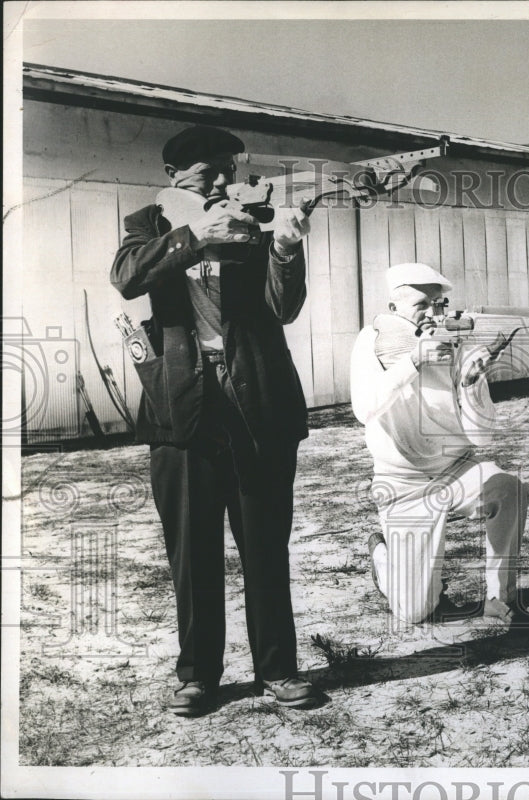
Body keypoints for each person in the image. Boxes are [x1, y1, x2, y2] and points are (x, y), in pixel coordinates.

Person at [110, 125, 316, 716]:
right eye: (208, 174)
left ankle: (278, 670)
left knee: (264, 549)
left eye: (229, 169)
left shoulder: (257, 215)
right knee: (192, 553)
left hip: (259, 404)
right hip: (183, 406)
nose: (225, 182)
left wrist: (284, 250)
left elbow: (285, 307)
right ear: (176, 178)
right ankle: (198, 676)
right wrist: (195, 234)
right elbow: (127, 278)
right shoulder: (150, 222)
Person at [350, 262, 529, 626]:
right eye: (421, 305)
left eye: (439, 304)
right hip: (402, 484)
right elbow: (364, 408)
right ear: (393, 310)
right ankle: (383, 558)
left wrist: (472, 384)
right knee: (415, 612)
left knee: (508, 488)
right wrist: (414, 362)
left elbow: (483, 437)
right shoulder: (371, 342)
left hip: (454, 471)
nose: (433, 315)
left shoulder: (457, 343)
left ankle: (499, 597)